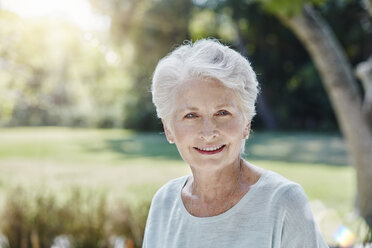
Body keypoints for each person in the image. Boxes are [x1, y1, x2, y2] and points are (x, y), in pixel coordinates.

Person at [143, 39, 328, 248]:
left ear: (246, 123)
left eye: (222, 113)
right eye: (191, 115)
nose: (208, 132)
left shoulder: (282, 202)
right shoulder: (163, 203)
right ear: (169, 129)